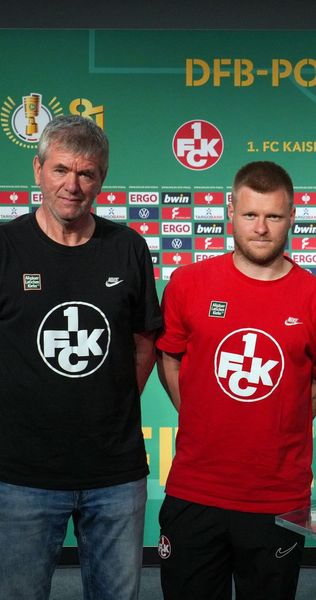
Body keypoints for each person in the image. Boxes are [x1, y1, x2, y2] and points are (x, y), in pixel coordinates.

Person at [156, 160, 316, 600]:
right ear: (230, 212)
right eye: (250, 215)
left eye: (273, 216)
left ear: (291, 218)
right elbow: (168, 356)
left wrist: (278, 425)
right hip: (195, 488)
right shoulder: (188, 283)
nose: (261, 228)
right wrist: (198, 417)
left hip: (277, 495)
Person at [0, 115, 162, 600]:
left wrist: (107, 401)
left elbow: (144, 342)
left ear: (102, 179)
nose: (73, 185)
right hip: (21, 476)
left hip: (115, 475)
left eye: (86, 173)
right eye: (61, 170)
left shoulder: (128, 248)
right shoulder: (5, 249)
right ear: (37, 170)